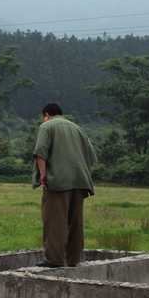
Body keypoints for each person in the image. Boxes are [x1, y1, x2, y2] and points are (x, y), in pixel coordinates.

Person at [32, 102, 97, 267]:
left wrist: (44, 174)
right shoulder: (77, 128)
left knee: (54, 219)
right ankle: (73, 259)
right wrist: (83, 175)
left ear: (46, 115)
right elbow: (91, 158)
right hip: (80, 180)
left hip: (58, 180)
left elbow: (40, 152)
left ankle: (55, 260)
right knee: (75, 221)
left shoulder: (46, 127)